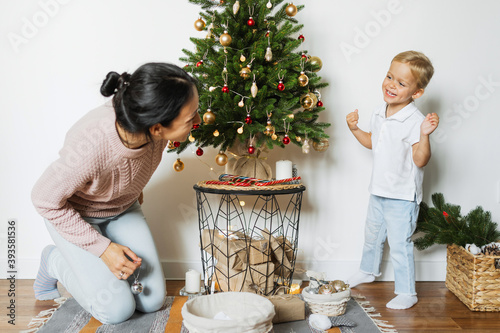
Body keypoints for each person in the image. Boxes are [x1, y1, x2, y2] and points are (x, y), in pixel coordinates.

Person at [31, 62, 201, 324]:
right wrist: (103, 249)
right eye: (191, 119)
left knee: (152, 300)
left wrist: (132, 188)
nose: (198, 122)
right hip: (75, 216)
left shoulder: (150, 120)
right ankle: (53, 260)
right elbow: (44, 199)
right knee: (116, 311)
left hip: (122, 209)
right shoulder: (91, 146)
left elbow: (130, 164)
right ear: (157, 128)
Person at [345, 51, 439, 310]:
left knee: (399, 244)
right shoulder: (380, 112)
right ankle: (367, 270)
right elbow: (373, 143)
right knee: (372, 236)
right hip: (378, 190)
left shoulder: (415, 121)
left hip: (402, 196)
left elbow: (420, 160)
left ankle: (408, 292)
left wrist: (425, 135)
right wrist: (355, 129)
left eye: (401, 83)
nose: (391, 85)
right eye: (389, 77)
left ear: (416, 93)